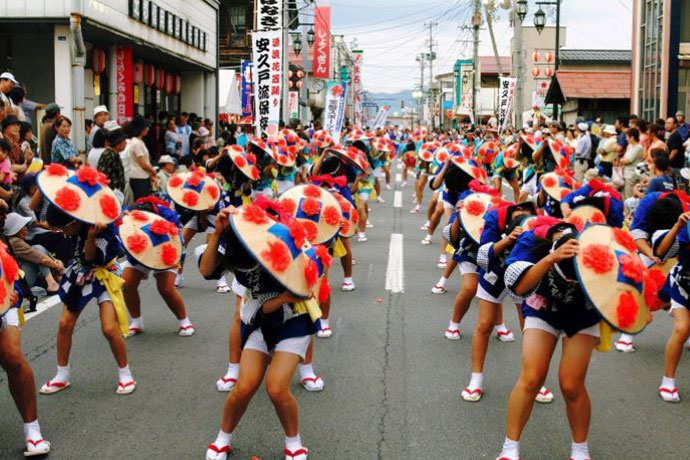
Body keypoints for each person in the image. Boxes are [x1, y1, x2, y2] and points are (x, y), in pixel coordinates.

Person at [201, 207, 317, 460]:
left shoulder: (284, 241)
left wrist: (279, 300)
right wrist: (218, 233)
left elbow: (305, 290)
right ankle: (223, 438)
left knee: (276, 388)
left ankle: (294, 443)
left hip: (293, 318)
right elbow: (207, 271)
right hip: (257, 319)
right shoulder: (233, 240)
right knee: (244, 387)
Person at [496, 220, 599, 460]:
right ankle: (510, 448)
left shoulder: (597, 241)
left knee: (571, 385)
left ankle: (580, 451)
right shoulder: (533, 238)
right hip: (542, 304)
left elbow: (623, 280)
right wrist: (551, 258)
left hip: (583, 309)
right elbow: (519, 287)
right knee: (532, 378)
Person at [39, 201, 136, 396]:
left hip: (105, 272)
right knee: (65, 324)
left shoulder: (103, 228)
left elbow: (91, 258)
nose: (63, 233)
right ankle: (62, 375)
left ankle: (125, 373)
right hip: (81, 274)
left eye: (64, 229)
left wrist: (91, 236)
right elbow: (51, 223)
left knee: (109, 328)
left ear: (74, 222)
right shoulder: (75, 222)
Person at [0, 247, 52, 456]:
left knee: (12, 358)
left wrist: (11, 295)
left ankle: (32, 431)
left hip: (3, 306)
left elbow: (12, 279)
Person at [122, 197, 194, 337]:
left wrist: (176, 265)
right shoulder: (130, 213)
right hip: (140, 250)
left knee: (166, 288)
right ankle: (136, 321)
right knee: (127, 284)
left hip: (166, 249)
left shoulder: (168, 215)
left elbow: (178, 243)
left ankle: (184, 321)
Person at [653, 210, 690, 402]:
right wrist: (677, 226)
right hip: (684, 283)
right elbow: (661, 253)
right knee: (682, 328)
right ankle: (668, 380)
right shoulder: (687, 224)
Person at [4, 213, 62, 293]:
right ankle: (53, 282)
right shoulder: (14, 242)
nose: (26, 228)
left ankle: (58, 276)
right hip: (20, 281)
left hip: (21, 278)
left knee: (38, 249)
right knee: (37, 250)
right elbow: (43, 260)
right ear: (17, 229)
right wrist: (57, 266)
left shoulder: (12, 241)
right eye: (23, 226)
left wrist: (56, 262)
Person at [127, 115, 157, 200]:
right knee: (141, 202)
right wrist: (152, 171)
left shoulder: (139, 141)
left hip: (141, 176)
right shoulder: (136, 143)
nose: (148, 129)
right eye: (146, 127)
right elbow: (143, 163)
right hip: (139, 178)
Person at [97, 125, 127, 194]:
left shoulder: (111, 153)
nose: (125, 143)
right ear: (118, 143)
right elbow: (104, 175)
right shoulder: (110, 155)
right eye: (124, 140)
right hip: (111, 192)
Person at [620, 127, 644, 198]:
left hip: (632, 175)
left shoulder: (638, 148)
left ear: (632, 137)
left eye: (627, 137)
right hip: (626, 174)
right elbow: (624, 158)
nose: (626, 139)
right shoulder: (630, 146)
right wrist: (623, 160)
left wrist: (622, 160)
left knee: (630, 196)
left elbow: (628, 160)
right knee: (624, 195)